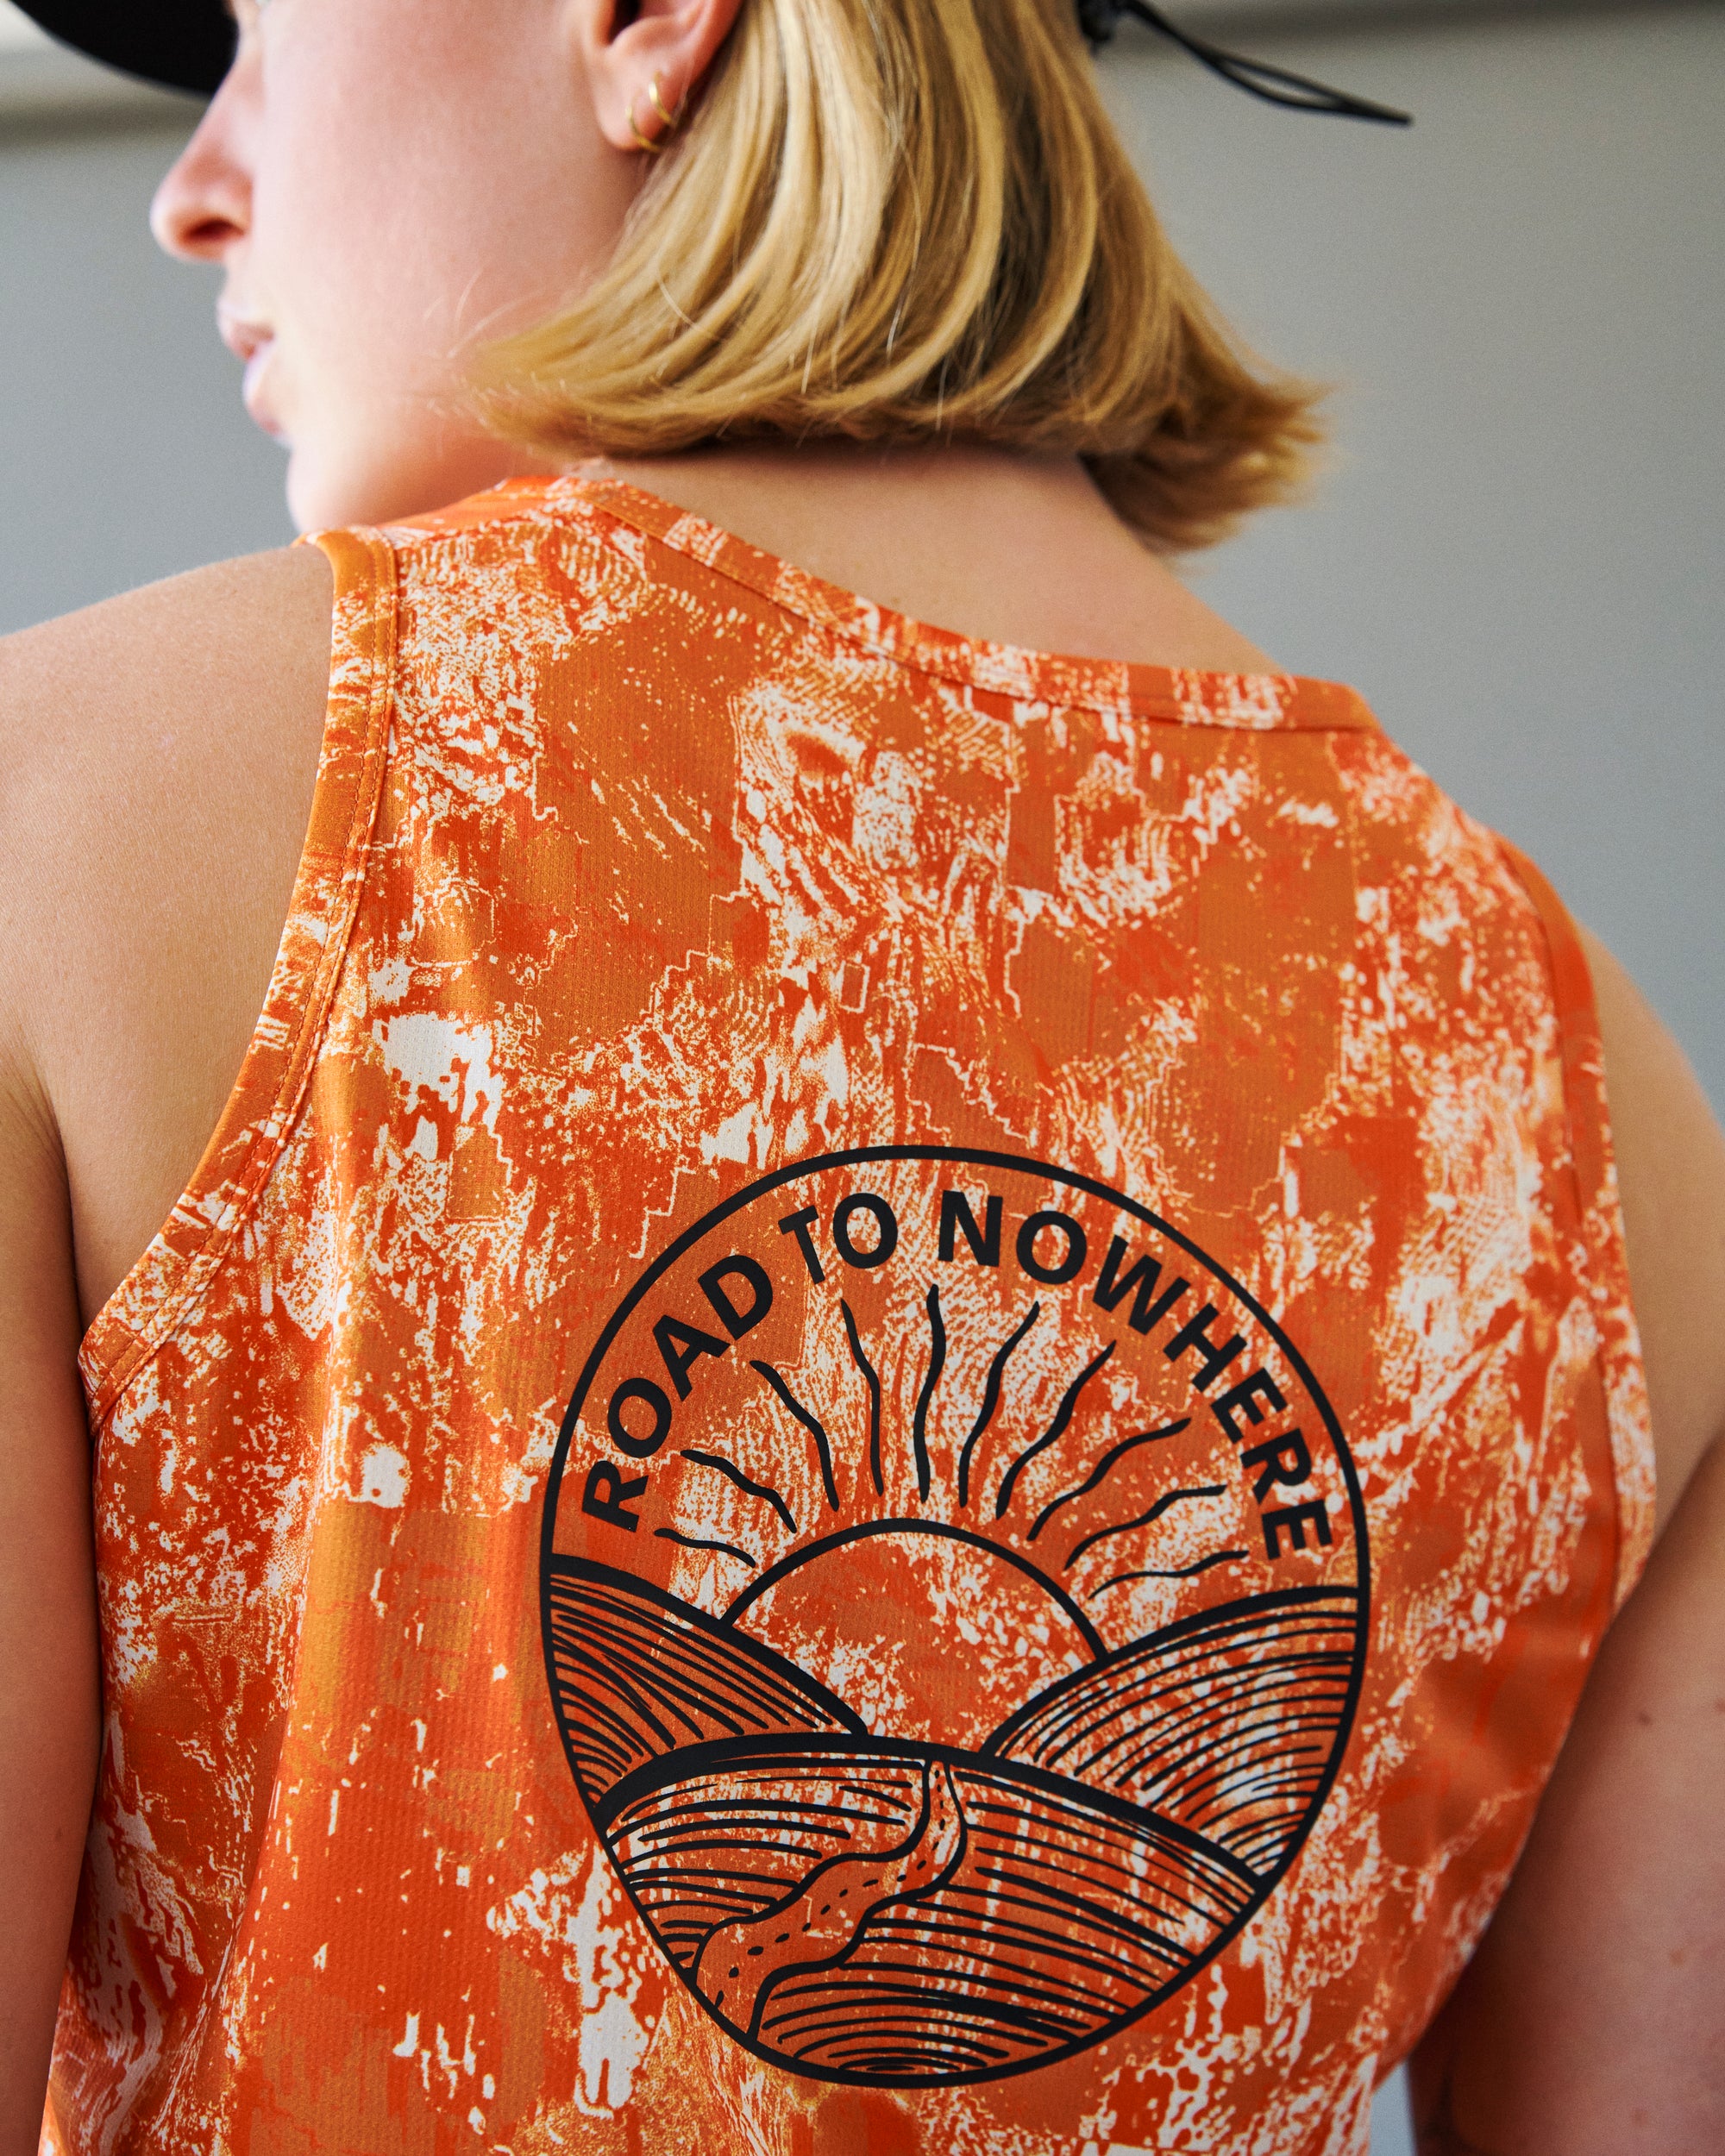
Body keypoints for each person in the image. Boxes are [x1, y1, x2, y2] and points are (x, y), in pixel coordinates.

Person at [1, 0, 1720, 2150]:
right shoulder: (1589, 1094)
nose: (197, 186)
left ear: (648, 18)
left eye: (265, 21)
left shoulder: (64, 820)